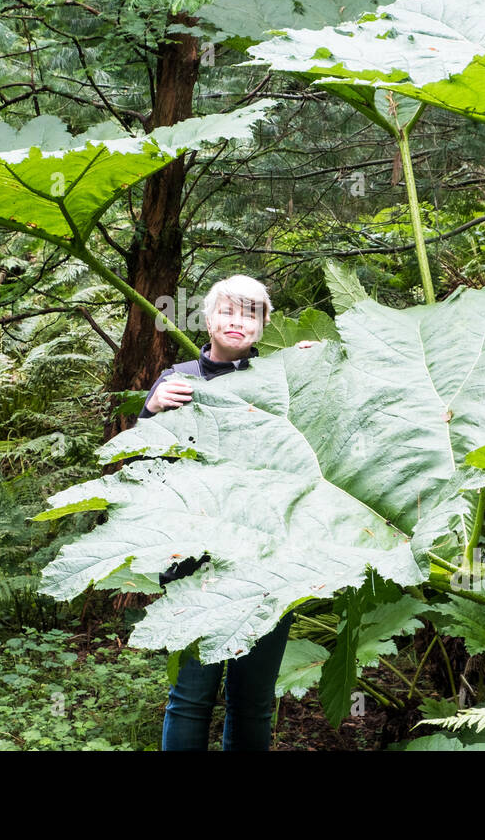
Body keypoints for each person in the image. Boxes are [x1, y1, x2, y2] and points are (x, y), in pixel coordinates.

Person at [139, 274, 313, 751]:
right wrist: (151, 410)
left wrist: (317, 368)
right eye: (229, 312)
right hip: (193, 560)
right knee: (190, 697)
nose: (239, 322)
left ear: (263, 326)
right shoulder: (177, 379)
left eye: (251, 314)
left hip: (268, 560)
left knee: (253, 702)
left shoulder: (282, 380)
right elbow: (144, 464)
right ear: (209, 319)